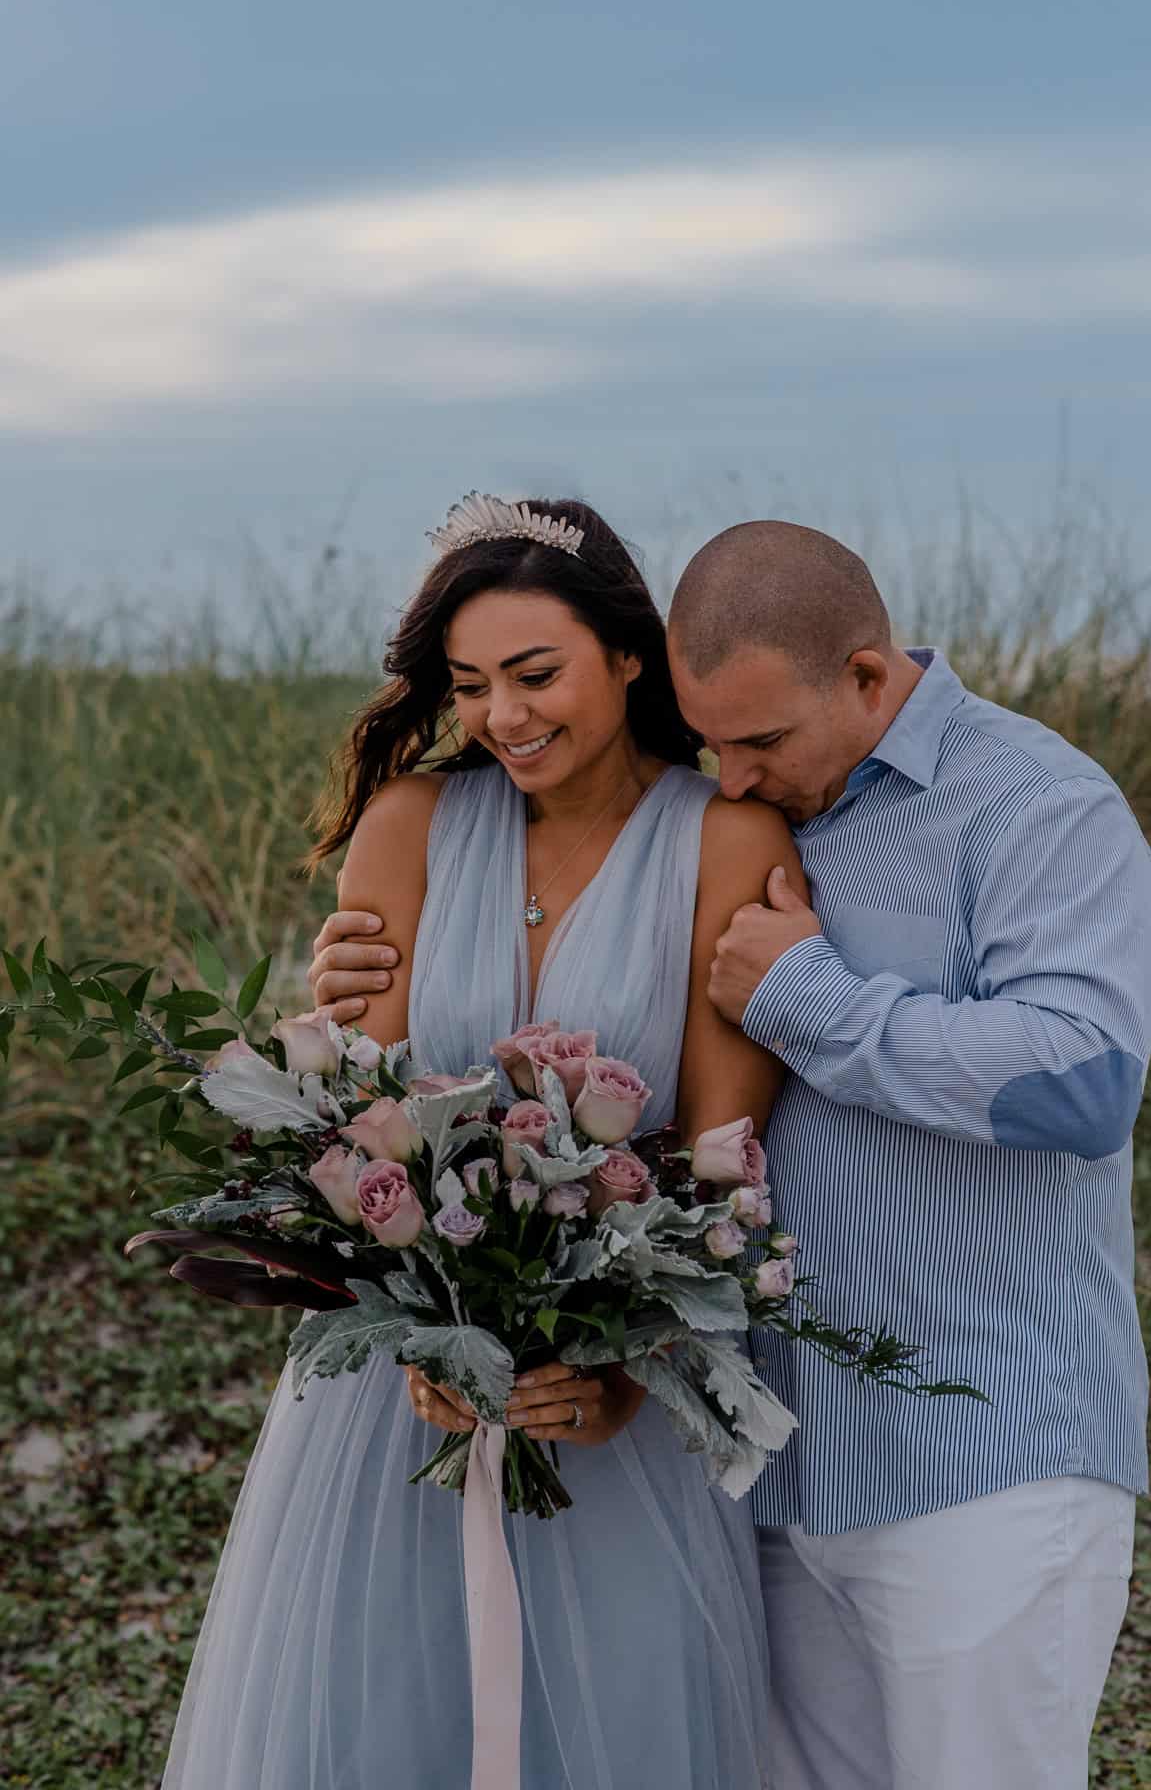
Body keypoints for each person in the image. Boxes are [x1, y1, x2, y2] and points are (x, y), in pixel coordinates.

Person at [315, 517, 1151, 1790]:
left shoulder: (1030, 806)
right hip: (764, 1462)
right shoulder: (749, 802)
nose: (730, 778)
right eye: (710, 741)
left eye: (760, 742)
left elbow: (1084, 1078)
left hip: (978, 1459)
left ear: (870, 678)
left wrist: (811, 996)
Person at [163, 496, 803, 1790]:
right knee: (378, 1714)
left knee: (616, 1723)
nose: (501, 718)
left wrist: (622, 1375)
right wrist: (417, 1331)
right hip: (400, 1386)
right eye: (468, 687)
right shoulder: (405, 827)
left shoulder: (725, 840)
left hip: (619, 1381)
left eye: (533, 675)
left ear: (629, 657)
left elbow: (721, 1151)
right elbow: (368, 1115)